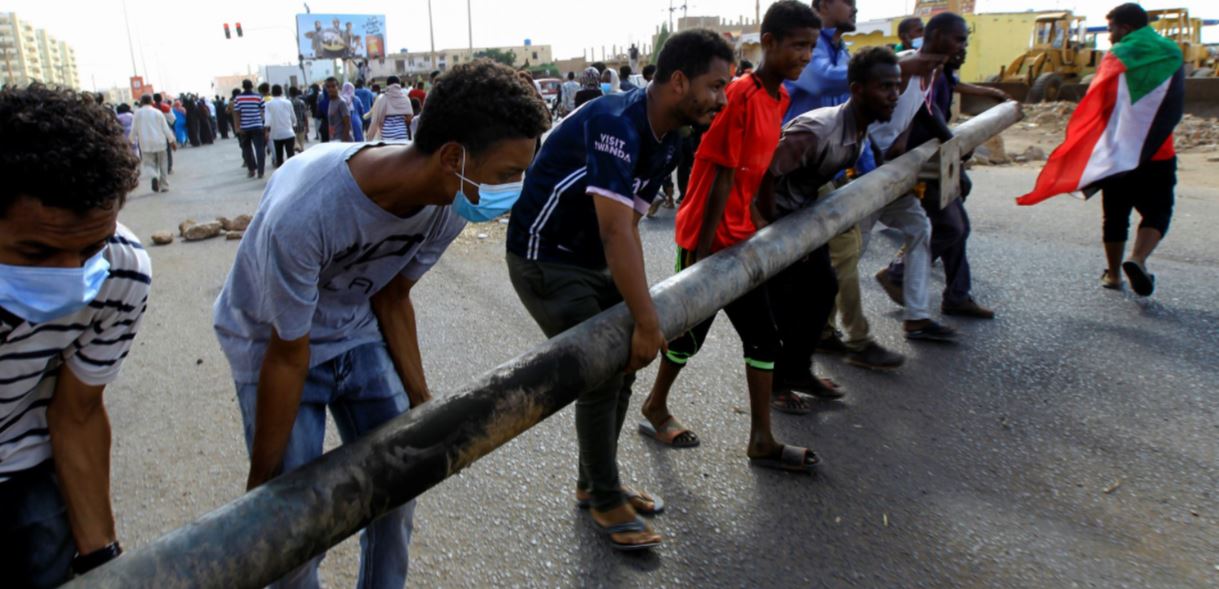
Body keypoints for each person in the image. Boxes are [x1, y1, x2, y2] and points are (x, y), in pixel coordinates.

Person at [213, 59, 548, 589]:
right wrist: (262, 491)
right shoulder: (309, 210)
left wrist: (423, 405)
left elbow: (393, 296)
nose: (516, 187)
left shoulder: (452, 203)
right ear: (454, 157)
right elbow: (287, 351)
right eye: (509, 173)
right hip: (273, 340)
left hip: (356, 327)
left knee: (399, 485)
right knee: (292, 523)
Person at [505, 29, 734, 551]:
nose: (722, 98)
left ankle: (595, 482)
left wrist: (642, 320)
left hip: (591, 260)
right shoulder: (616, 122)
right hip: (544, 260)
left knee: (629, 361)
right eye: (716, 85)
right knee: (601, 374)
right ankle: (605, 496)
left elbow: (627, 225)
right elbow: (614, 230)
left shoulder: (671, 135)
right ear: (679, 81)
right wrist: (648, 318)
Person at [640, 1, 822, 470]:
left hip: (741, 238)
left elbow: (761, 169)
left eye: (812, 46)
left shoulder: (779, 100)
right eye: (798, 45)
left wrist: (768, 225)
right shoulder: (737, 94)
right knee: (686, 338)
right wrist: (701, 259)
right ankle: (654, 406)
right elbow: (721, 173)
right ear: (769, 43)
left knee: (763, 338)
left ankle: (761, 439)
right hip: (706, 235)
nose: (806, 55)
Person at [0, 84, 148, 588]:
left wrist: (101, 562)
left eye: (91, 247)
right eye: (37, 254)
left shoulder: (121, 273)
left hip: (22, 465)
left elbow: (77, 411)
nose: (70, 277)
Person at [758, 45, 905, 407]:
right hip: (773, 222)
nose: (894, 95)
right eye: (885, 87)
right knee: (786, 305)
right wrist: (766, 237)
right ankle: (776, 387)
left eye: (897, 86)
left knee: (823, 288)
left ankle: (798, 371)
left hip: (801, 219)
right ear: (857, 90)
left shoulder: (857, 130)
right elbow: (764, 176)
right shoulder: (818, 131)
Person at [1017, 3, 1183, 297]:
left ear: (1126, 28)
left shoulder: (1117, 56)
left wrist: (1087, 142)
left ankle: (1114, 275)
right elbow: (1173, 103)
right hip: (1158, 152)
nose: (1108, 36)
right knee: (1158, 210)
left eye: (1110, 29)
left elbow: (1099, 100)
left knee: (1115, 214)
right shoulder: (1172, 52)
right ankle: (1139, 258)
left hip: (1118, 152)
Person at [784, 0, 908, 370]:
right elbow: (823, 83)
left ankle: (819, 340)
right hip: (800, 168)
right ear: (822, 6)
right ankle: (851, 340)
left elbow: (857, 126)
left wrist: (872, 176)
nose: (855, 8)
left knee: (842, 256)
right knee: (832, 259)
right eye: (848, 3)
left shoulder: (842, 50)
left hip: (830, 168)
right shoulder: (811, 49)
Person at [883, 13, 996, 319]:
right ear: (936, 36)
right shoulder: (917, 67)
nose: (963, 46)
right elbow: (925, 113)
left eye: (965, 40)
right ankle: (900, 272)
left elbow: (933, 102)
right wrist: (953, 143)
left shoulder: (940, 70)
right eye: (958, 39)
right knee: (953, 226)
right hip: (926, 159)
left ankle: (957, 294)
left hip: (936, 155)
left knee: (955, 223)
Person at [131, 94, 177, 193]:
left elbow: (133, 129)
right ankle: (164, 185)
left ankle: (154, 176)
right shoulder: (158, 113)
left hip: (145, 144)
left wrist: (130, 141)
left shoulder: (137, 113)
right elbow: (165, 128)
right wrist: (172, 140)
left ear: (141, 102)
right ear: (152, 102)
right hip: (160, 142)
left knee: (148, 164)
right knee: (163, 164)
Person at [234, 79, 267, 178]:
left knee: (247, 150)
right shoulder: (258, 97)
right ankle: (261, 172)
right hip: (257, 126)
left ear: (243, 87)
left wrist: (238, 127)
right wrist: (263, 125)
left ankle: (252, 170)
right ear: (252, 86)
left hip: (245, 128)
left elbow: (237, 113)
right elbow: (263, 111)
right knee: (260, 149)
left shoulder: (238, 98)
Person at [368, 75, 414, 141]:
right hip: (402, 135)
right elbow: (410, 117)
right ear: (399, 85)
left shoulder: (383, 99)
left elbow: (375, 120)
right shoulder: (406, 99)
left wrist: (369, 139)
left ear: (387, 85)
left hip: (387, 135)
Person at [266, 84, 297, 168]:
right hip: (288, 132)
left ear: (272, 92)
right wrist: (294, 125)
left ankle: (281, 173)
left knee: (279, 156)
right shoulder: (288, 102)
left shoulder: (268, 104)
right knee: (291, 154)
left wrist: (267, 131)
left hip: (276, 134)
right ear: (281, 92)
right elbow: (293, 117)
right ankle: (293, 172)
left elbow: (267, 121)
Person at [326, 78, 353, 143]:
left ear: (338, 87)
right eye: (328, 87)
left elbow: (347, 124)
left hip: (341, 141)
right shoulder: (331, 102)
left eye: (333, 86)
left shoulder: (341, 102)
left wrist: (344, 143)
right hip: (334, 139)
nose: (330, 89)